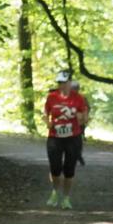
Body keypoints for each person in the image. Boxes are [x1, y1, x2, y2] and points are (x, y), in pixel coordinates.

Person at [44, 70, 89, 209]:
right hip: (54, 138)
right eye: (59, 83)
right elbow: (45, 113)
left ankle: (66, 198)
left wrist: (81, 119)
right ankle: (55, 192)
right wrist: (47, 122)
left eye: (64, 83)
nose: (62, 85)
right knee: (55, 168)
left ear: (70, 83)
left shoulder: (79, 98)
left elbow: (85, 118)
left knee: (69, 169)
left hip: (73, 138)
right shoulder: (52, 97)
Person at [70, 79, 91, 166]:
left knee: (78, 140)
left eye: (76, 88)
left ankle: (78, 155)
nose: (75, 89)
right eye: (73, 88)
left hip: (79, 122)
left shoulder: (82, 98)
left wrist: (84, 117)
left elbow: (87, 108)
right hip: (68, 122)